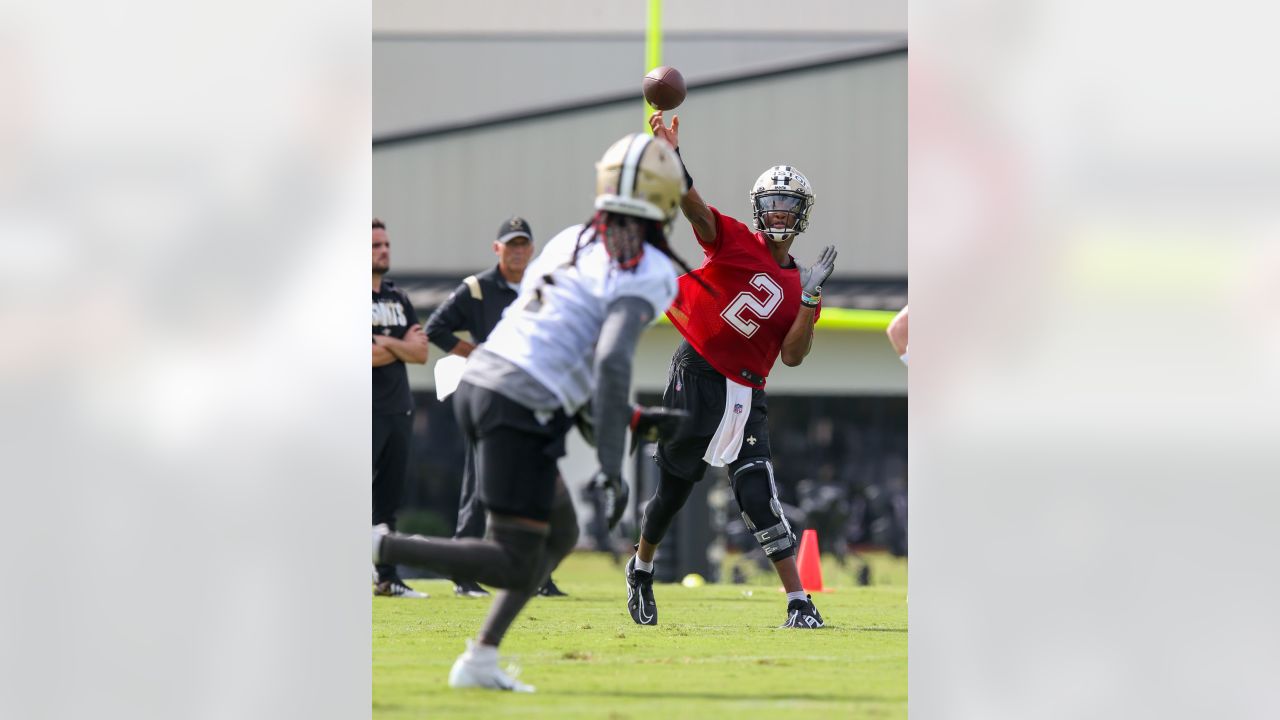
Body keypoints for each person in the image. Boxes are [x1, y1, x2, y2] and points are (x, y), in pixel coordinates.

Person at [372, 133, 696, 692]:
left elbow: (565, 354)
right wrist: (614, 465)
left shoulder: (572, 239)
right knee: (512, 559)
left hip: (487, 386)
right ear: (666, 200)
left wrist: (629, 420)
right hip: (517, 403)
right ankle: (376, 546)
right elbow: (611, 359)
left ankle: (480, 659)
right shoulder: (647, 268)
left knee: (560, 531)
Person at [627, 110, 839, 629]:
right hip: (697, 372)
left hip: (747, 391)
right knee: (673, 492)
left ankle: (798, 601)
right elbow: (692, 205)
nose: (780, 213)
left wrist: (810, 299)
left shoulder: (801, 285)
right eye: (773, 203)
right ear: (758, 208)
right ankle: (641, 567)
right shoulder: (735, 239)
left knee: (756, 492)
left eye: (789, 205)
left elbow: (792, 355)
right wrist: (670, 153)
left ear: (803, 213)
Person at [425, 217, 568, 599]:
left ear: (532, 250)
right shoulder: (477, 289)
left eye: (524, 244)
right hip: (490, 396)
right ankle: (462, 575)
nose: (518, 251)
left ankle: (541, 575)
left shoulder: (542, 287)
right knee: (480, 486)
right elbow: (435, 329)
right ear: (497, 248)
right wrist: (480, 354)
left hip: (532, 396)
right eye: (511, 244)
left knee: (538, 484)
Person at [371, 218, 430, 598]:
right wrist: (399, 346)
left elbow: (421, 352)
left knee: (388, 500)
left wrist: (386, 344)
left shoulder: (399, 298)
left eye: (387, 244)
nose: (384, 250)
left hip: (399, 409)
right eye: (376, 245)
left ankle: (387, 577)